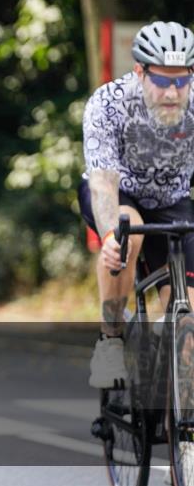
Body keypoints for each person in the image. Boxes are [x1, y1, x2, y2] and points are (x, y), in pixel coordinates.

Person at [81, 21, 194, 388]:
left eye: (181, 80)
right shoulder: (109, 103)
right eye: (162, 81)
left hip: (174, 202)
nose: (173, 92)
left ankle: (182, 431)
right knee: (128, 237)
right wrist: (112, 233)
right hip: (121, 196)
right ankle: (110, 339)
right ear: (139, 71)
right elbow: (102, 182)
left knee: (189, 329)